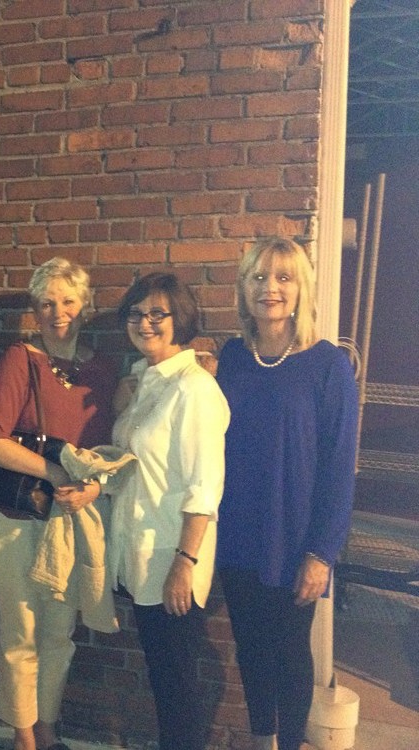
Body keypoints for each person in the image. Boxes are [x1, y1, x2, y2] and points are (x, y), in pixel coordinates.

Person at [216, 237, 358, 750]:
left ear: (301, 290)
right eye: (258, 277)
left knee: (292, 653)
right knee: (251, 647)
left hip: (296, 538)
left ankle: (292, 743)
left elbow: (339, 468)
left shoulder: (328, 365)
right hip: (236, 532)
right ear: (243, 288)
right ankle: (263, 741)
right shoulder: (231, 357)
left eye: (283, 277)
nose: (269, 288)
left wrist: (322, 553)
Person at [0, 257, 118, 750]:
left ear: (85, 306)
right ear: (35, 310)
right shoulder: (21, 359)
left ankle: (47, 727)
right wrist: (54, 472)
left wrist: (94, 487)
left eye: (68, 302)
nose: (58, 313)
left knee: (59, 631)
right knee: (22, 629)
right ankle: (23, 736)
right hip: (17, 514)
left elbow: (111, 450)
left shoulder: (101, 370)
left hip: (72, 515)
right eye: (47, 303)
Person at [108, 272, 230, 750]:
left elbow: (205, 485)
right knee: (164, 676)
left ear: (181, 319)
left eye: (158, 313)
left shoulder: (194, 388)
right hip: (140, 551)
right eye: (136, 313)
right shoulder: (143, 380)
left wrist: (185, 563)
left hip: (170, 556)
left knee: (178, 682)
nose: (145, 322)